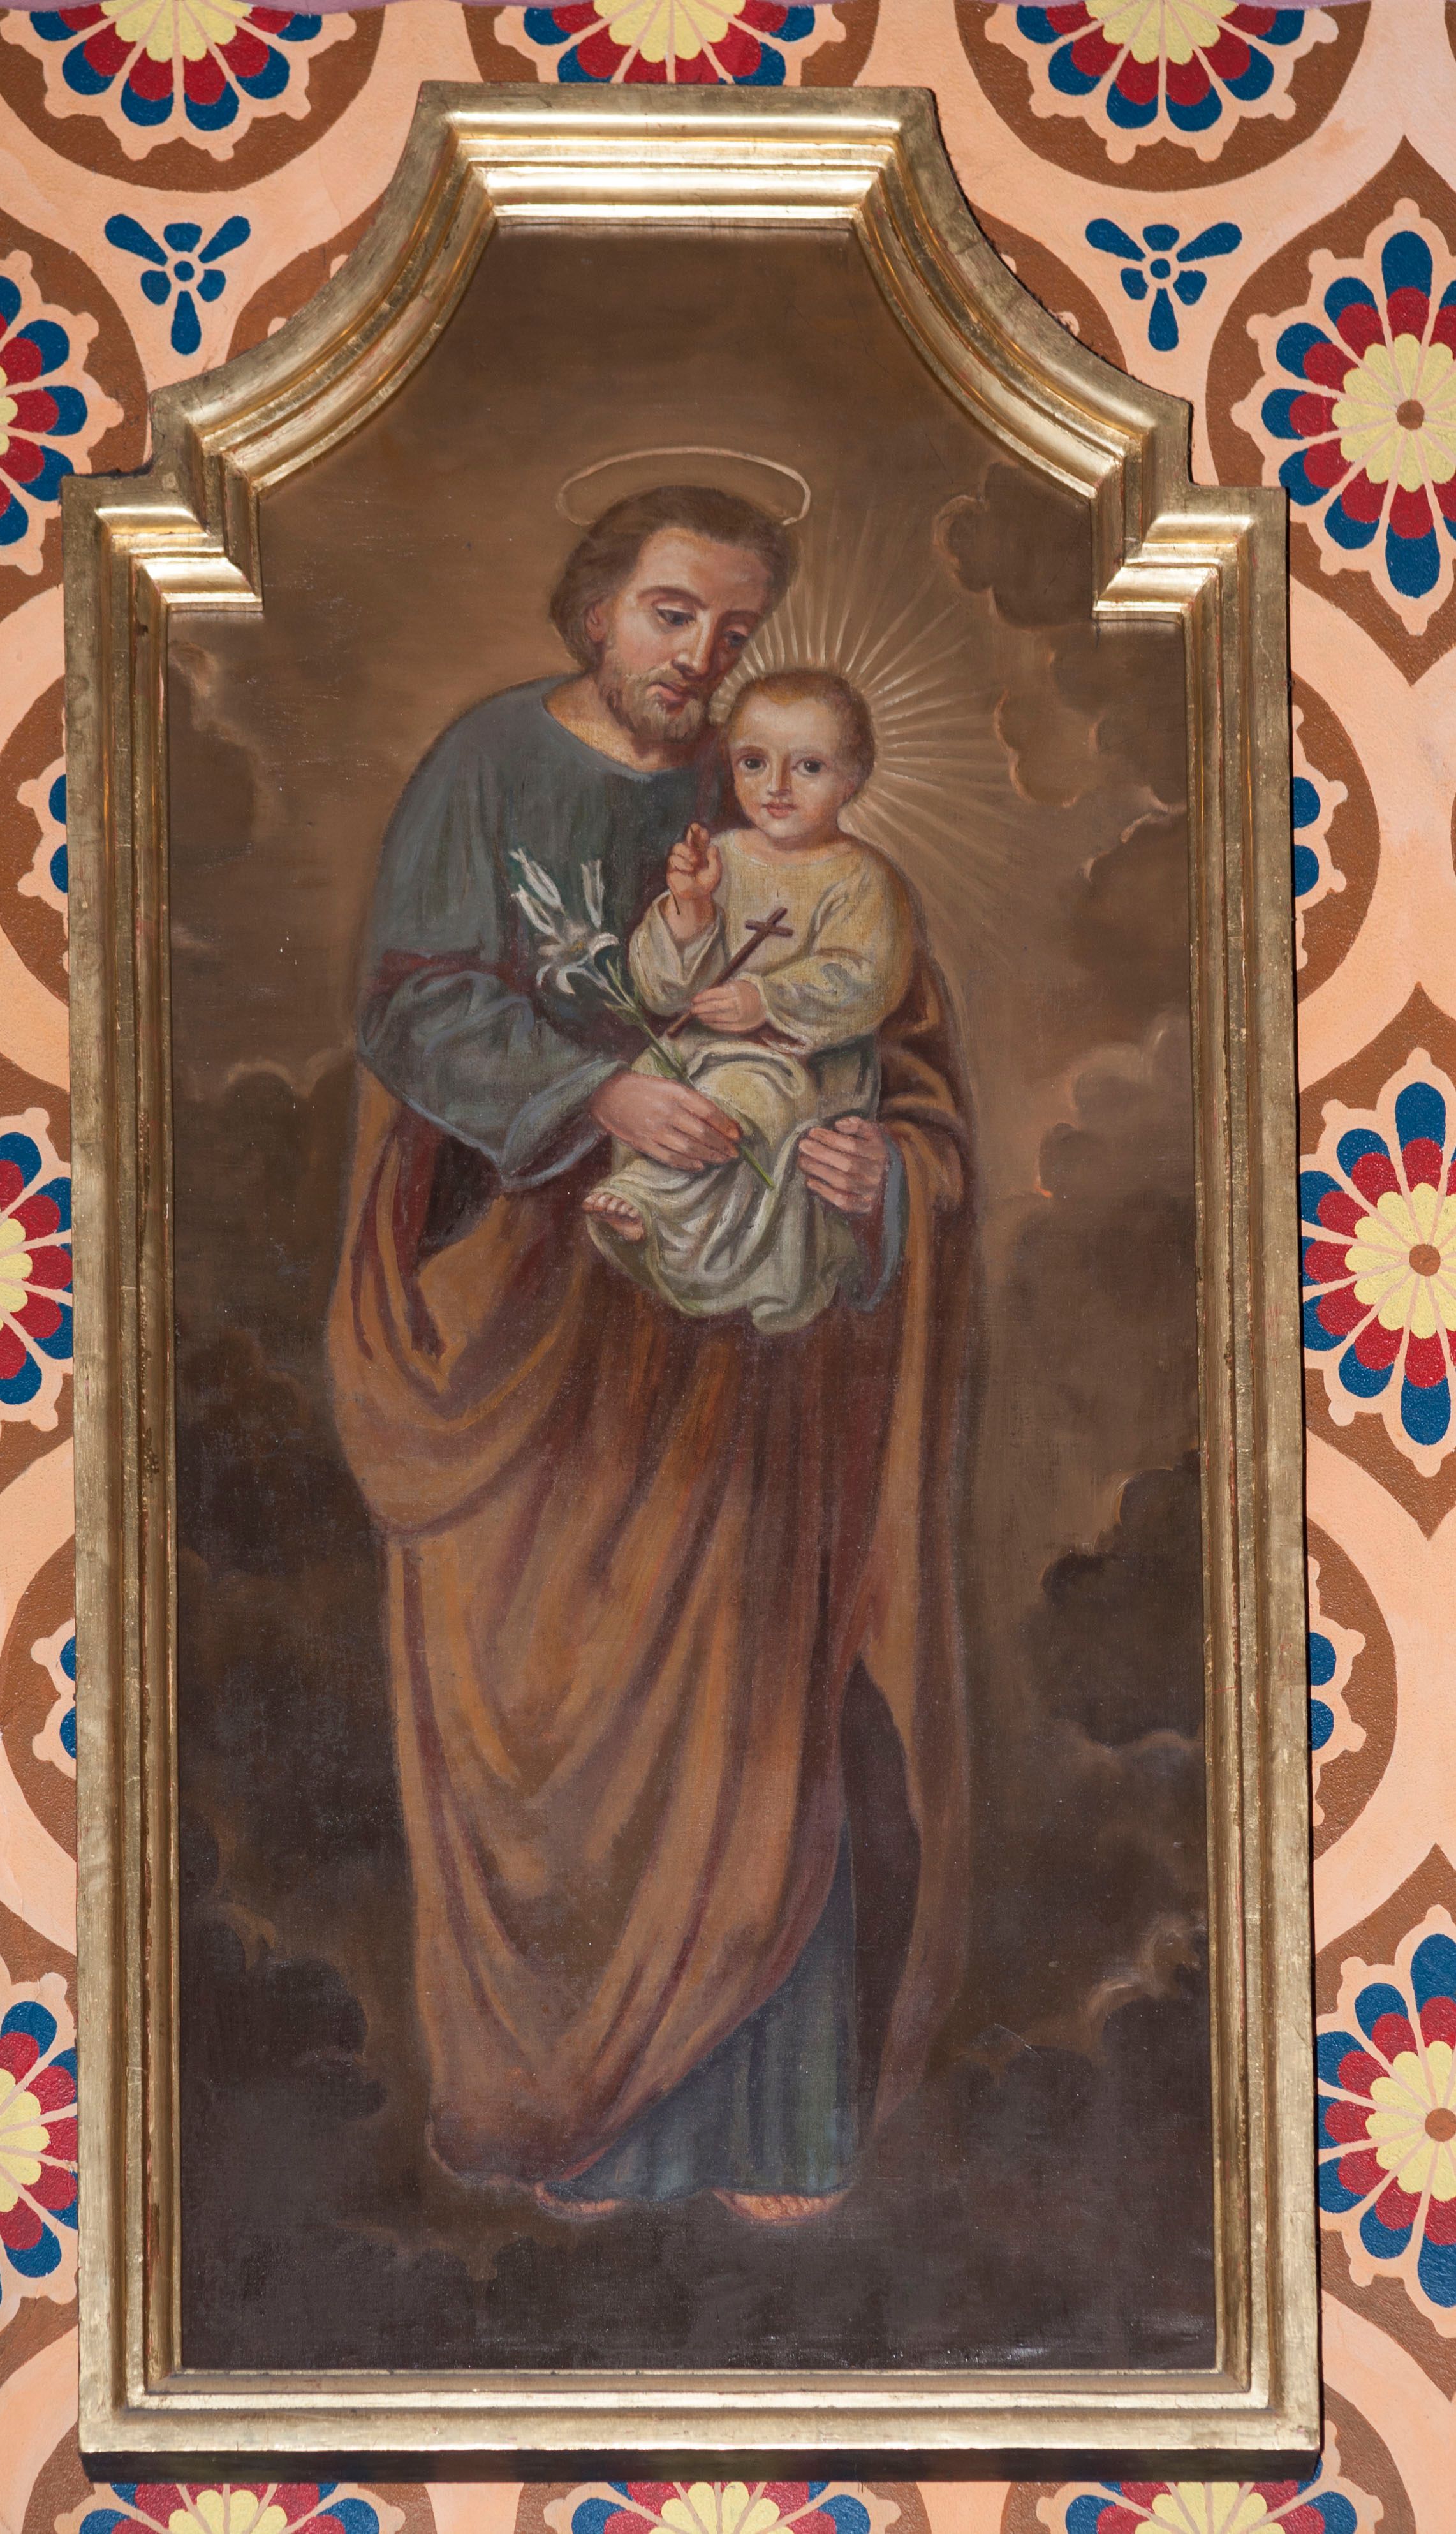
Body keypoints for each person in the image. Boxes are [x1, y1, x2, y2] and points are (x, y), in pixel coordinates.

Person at [328, 478, 975, 2220]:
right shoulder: (488, 765)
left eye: (735, 626)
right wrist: (595, 1094)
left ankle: (764, 2137)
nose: (703, 655)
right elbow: (412, 1003)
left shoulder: (773, 779)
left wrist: (879, 1178)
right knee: (549, 1722)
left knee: (757, 1719)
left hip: (741, 1376)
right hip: (537, 1342)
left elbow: (901, 1066)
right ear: (597, 602)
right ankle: (574, 2123)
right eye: (673, 612)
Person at [585, 669, 913, 1335]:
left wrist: (765, 1000)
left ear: (852, 780)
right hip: (703, 1055)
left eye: (809, 766)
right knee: (658, 1080)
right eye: (754, 763)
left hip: (802, 1071)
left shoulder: (862, 879)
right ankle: (671, 1227)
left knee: (750, 1091)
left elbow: (865, 980)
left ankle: (649, 1199)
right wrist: (691, 909)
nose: (777, 787)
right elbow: (660, 989)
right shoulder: (721, 857)